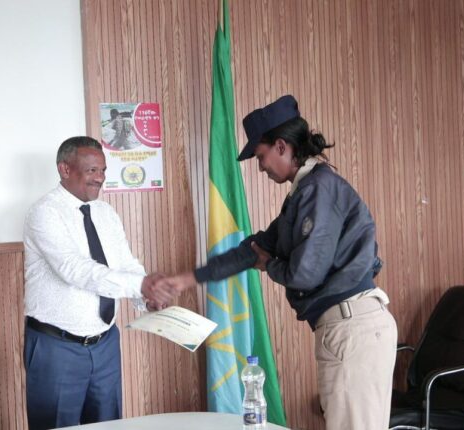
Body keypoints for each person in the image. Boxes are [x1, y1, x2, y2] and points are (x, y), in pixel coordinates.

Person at [161, 95, 397, 429]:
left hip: (352, 327)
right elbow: (253, 249)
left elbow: (304, 274)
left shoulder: (318, 189)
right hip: (347, 327)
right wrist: (184, 280)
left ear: (282, 146)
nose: (260, 167)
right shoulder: (304, 193)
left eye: (260, 156)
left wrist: (268, 264)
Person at [22, 136, 174, 430]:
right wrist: (140, 285)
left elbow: (126, 263)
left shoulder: (106, 213)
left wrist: (145, 299)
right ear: (65, 169)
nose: (100, 178)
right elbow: (74, 270)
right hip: (57, 347)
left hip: (105, 344)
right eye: (92, 170)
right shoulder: (44, 212)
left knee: (109, 425)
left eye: (103, 170)